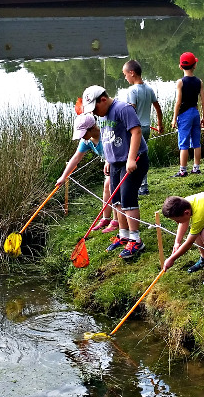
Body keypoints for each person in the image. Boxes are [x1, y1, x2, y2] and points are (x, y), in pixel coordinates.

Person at [81, 84, 149, 260]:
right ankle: (124, 234)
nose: (94, 112)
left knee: (128, 199)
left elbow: (136, 132)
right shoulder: (102, 115)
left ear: (103, 99)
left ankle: (136, 240)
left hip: (133, 161)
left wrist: (131, 158)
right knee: (116, 199)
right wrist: (108, 160)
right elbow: (107, 137)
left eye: (95, 108)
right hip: (115, 163)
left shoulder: (123, 109)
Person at [55, 113, 119, 233]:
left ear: (92, 128)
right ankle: (106, 218)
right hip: (109, 164)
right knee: (106, 188)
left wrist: (109, 160)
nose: (82, 137)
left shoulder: (106, 133)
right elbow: (76, 158)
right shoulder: (87, 141)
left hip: (121, 162)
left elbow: (117, 147)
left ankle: (116, 221)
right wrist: (63, 177)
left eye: (83, 133)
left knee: (112, 186)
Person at [120, 59, 163, 196]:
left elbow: (130, 111)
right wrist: (160, 124)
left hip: (135, 130)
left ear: (132, 73)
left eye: (125, 74)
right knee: (141, 156)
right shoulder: (149, 89)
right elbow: (158, 108)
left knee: (132, 156)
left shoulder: (132, 90)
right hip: (146, 128)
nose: (125, 77)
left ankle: (142, 187)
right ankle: (142, 185)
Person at [171, 52, 204, 177]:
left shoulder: (180, 82)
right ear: (195, 65)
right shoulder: (199, 81)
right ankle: (196, 168)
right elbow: (203, 100)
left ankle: (183, 171)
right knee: (196, 142)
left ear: (180, 67)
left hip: (184, 115)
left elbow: (178, 102)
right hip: (195, 113)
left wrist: (174, 118)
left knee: (183, 143)